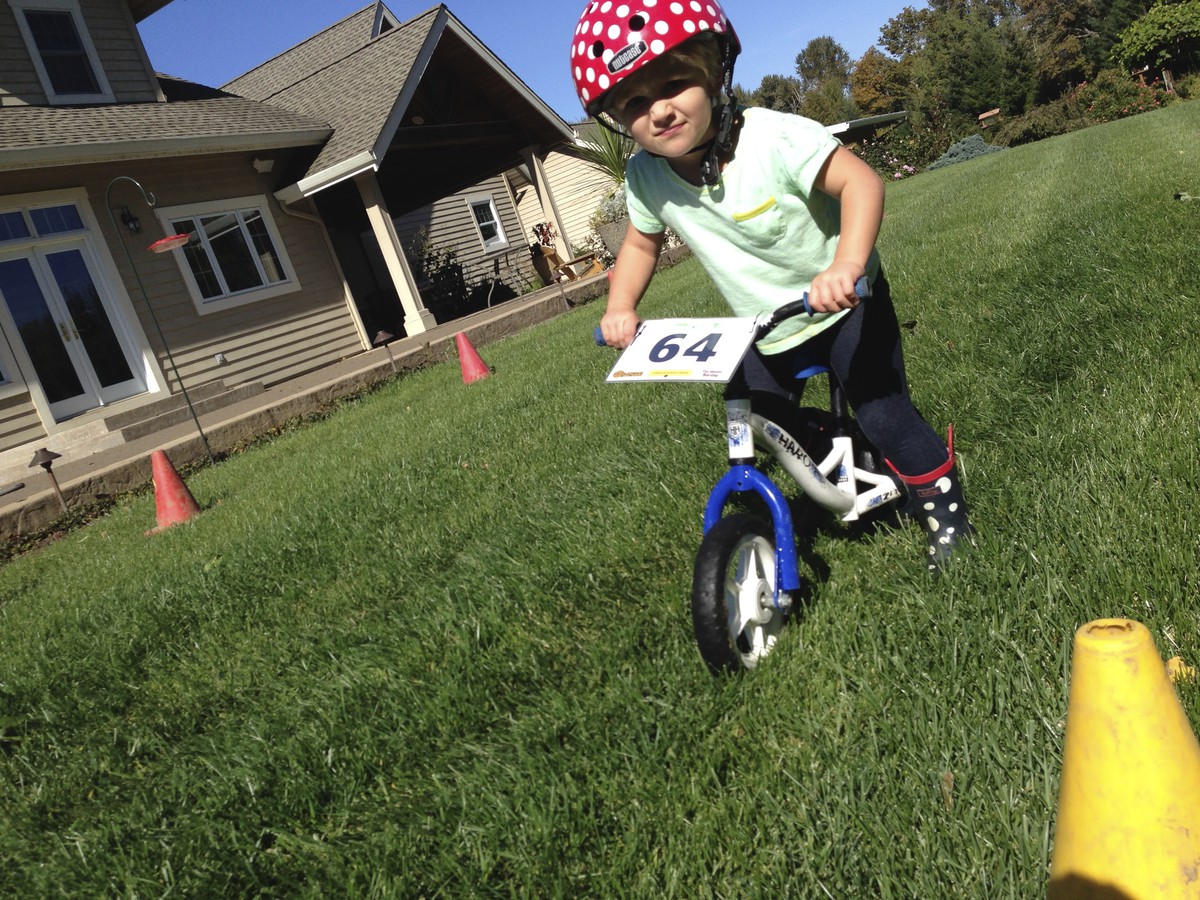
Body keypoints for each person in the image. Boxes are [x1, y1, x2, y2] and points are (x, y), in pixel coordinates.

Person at [570, 0, 971, 571]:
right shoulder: (645, 176)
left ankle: (942, 507)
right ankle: (840, 450)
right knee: (754, 419)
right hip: (764, 325)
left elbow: (861, 184)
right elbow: (640, 244)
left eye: (675, 83)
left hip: (843, 306)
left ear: (714, 73)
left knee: (885, 413)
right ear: (614, 118)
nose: (658, 111)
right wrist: (621, 304)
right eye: (634, 102)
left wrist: (846, 265)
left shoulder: (772, 138)